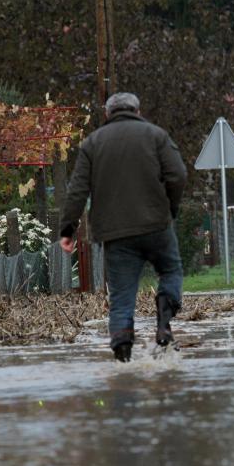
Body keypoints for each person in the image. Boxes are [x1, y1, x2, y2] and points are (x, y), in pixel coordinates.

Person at [59, 92, 187, 363]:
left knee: (121, 296)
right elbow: (178, 175)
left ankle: (122, 351)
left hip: (116, 235)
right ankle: (164, 323)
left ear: (107, 114)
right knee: (171, 270)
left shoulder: (92, 144)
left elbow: (77, 191)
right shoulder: (156, 136)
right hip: (157, 226)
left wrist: (68, 230)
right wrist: (170, 210)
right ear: (137, 111)